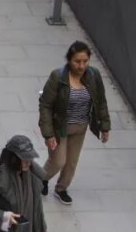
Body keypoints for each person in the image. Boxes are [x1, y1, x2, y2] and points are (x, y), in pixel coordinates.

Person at [38, 41, 111, 205]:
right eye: (77, 61)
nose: (81, 65)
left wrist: (104, 126)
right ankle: (40, 179)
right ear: (69, 60)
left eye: (85, 61)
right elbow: (45, 105)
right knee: (58, 161)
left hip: (80, 128)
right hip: (60, 128)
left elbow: (101, 102)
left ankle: (61, 189)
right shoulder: (58, 76)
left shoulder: (94, 75)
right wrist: (48, 133)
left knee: (71, 163)